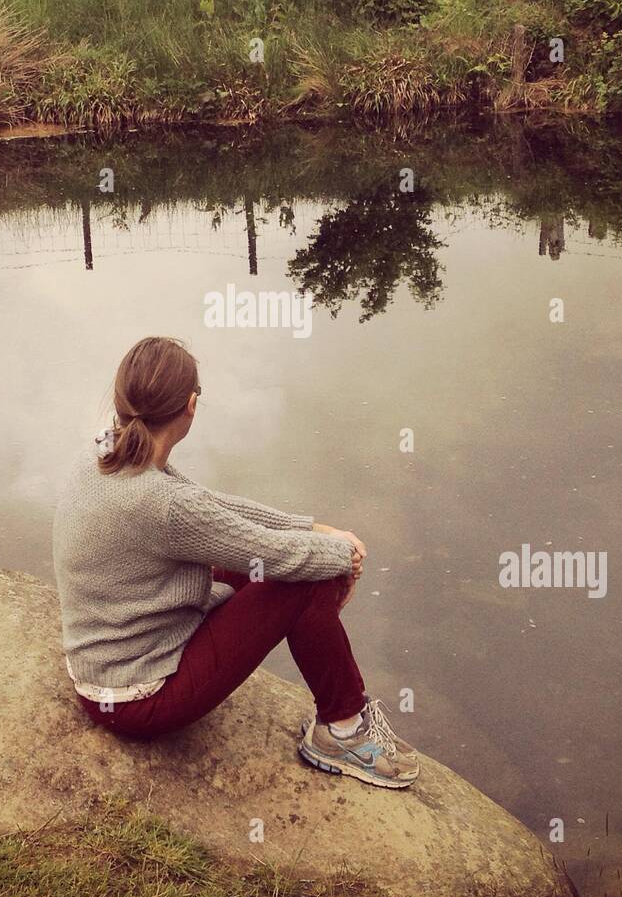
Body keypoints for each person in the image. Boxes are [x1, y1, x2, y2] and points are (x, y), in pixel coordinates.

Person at [52, 336, 419, 789]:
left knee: (291, 560)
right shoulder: (161, 503)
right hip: (137, 699)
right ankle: (341, 731)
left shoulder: (105, 450)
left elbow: (208, 510)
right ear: (191, 405)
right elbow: (266, 551)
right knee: (307, 579)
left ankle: (342, 719)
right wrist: (344, 556)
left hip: (104, 665)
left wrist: (309, 528)